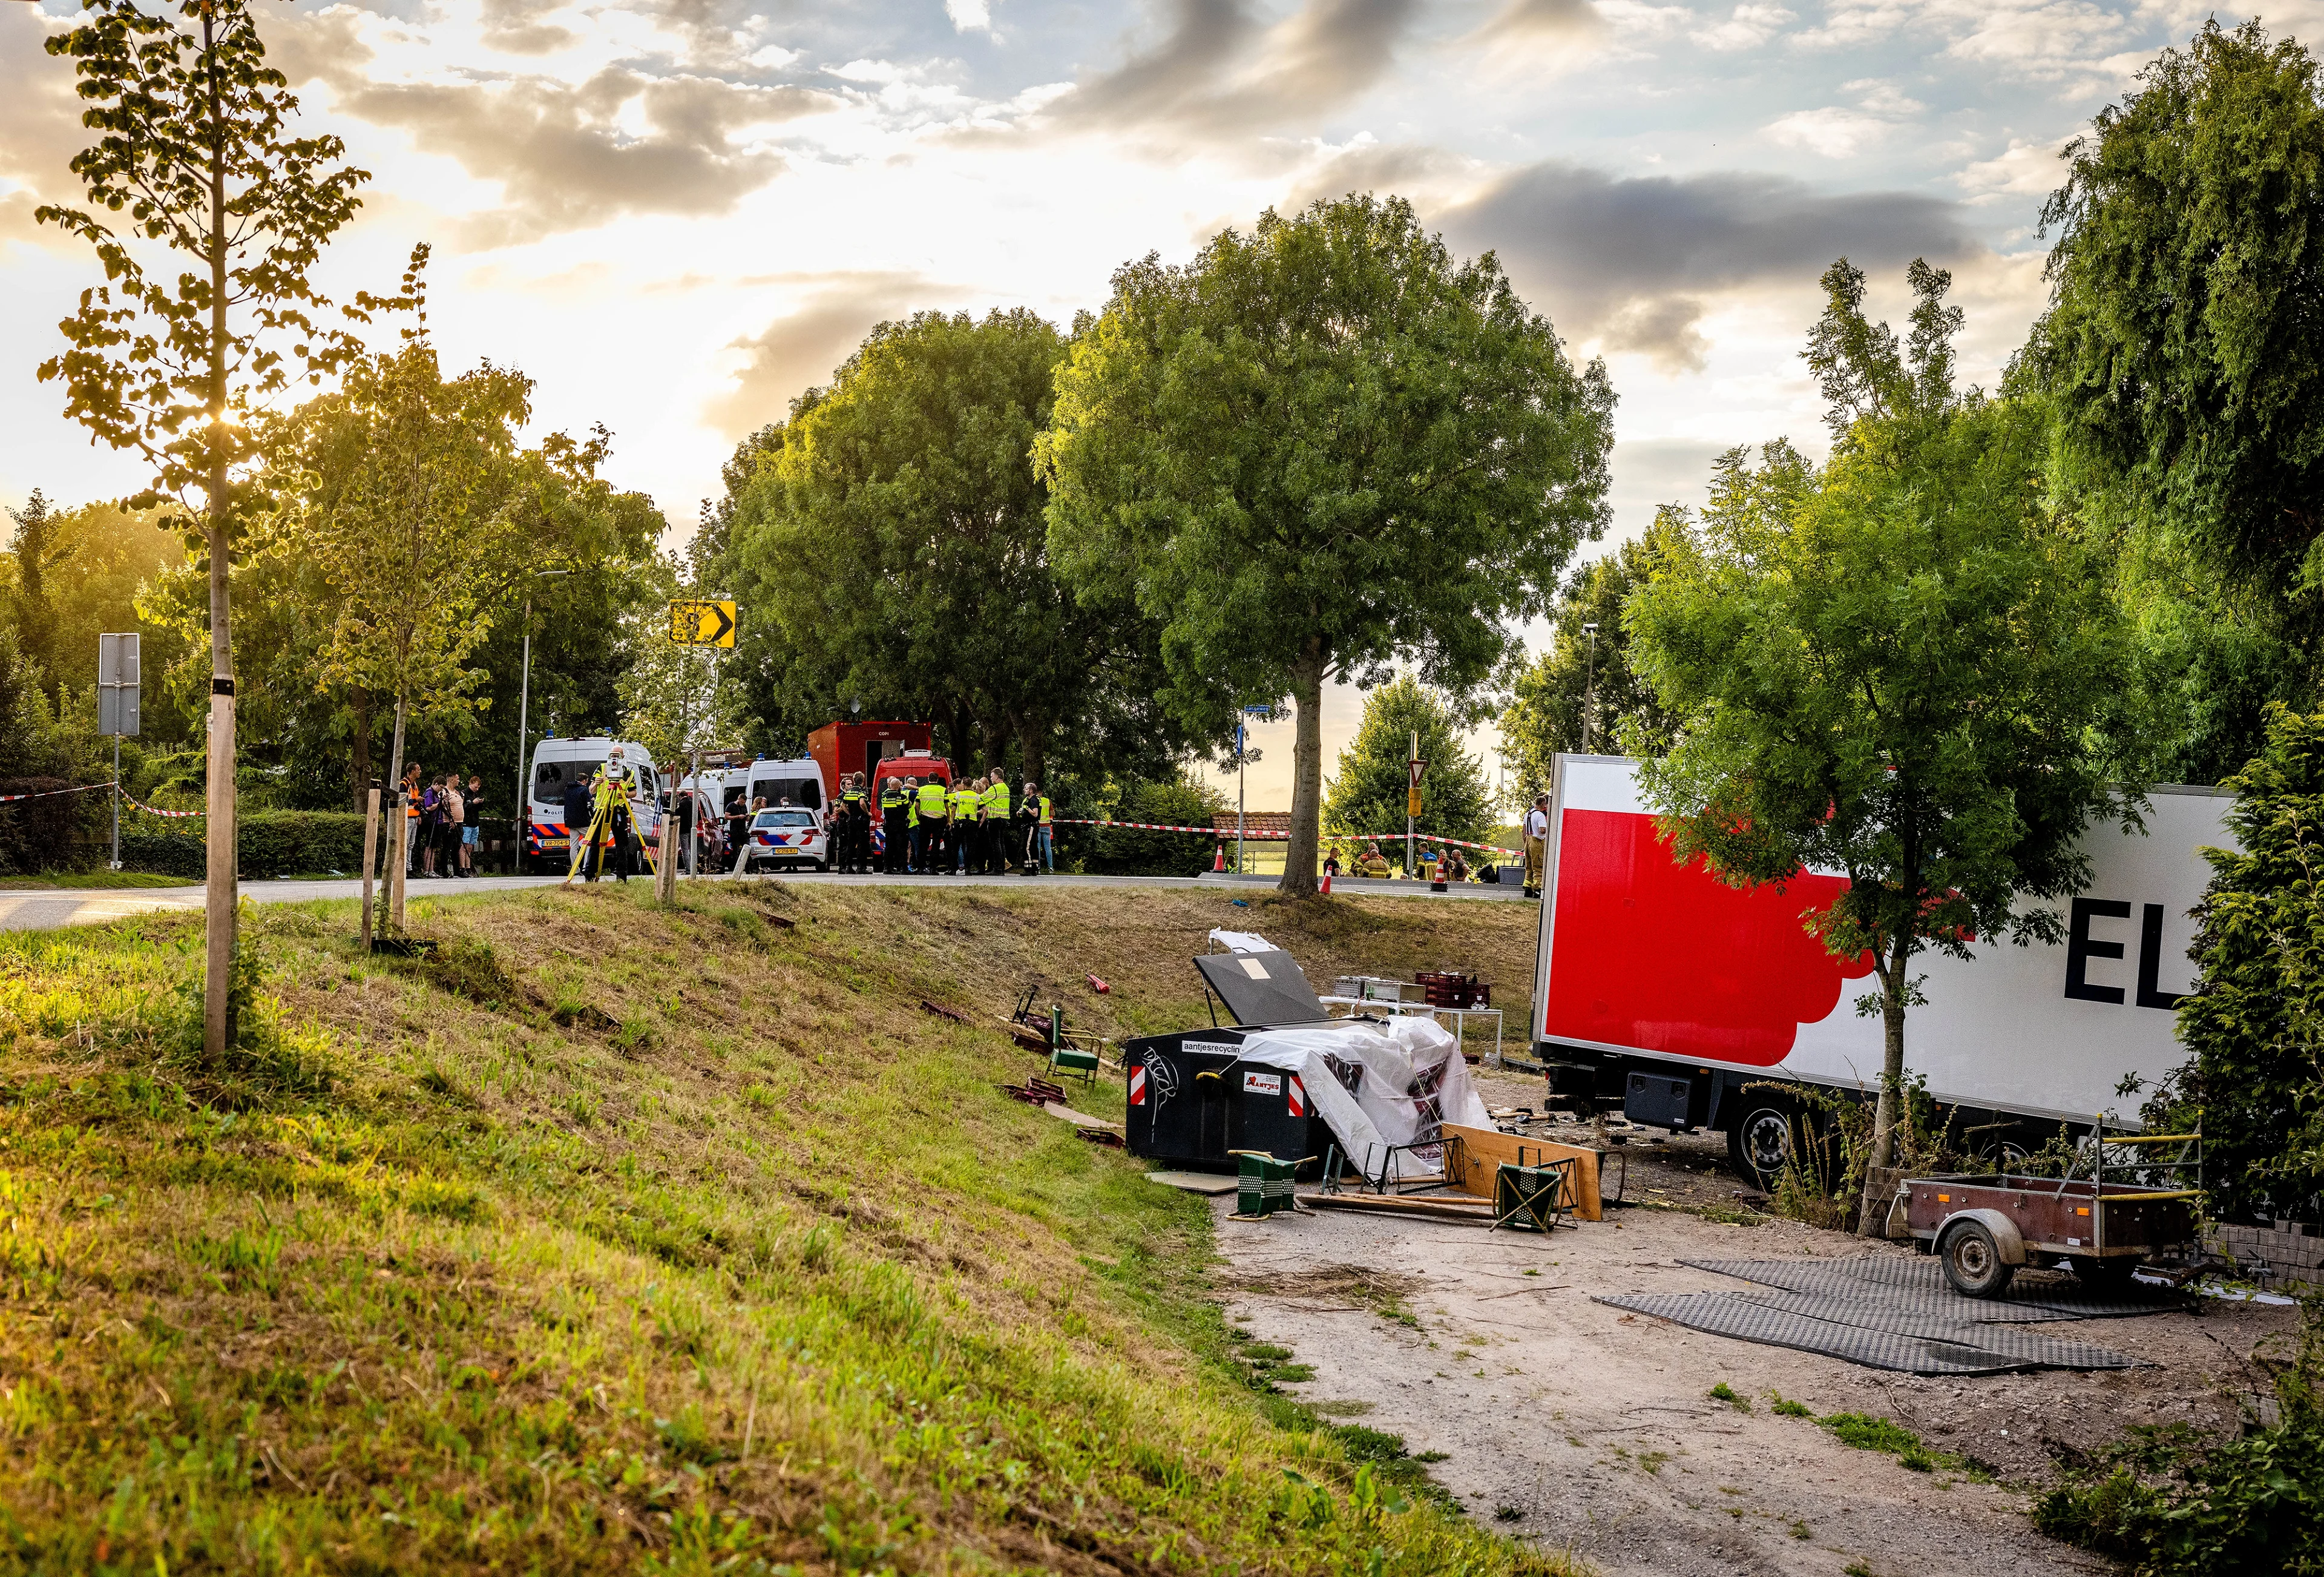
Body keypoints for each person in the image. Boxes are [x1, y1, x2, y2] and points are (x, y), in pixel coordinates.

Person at [915, 773, 948, 875]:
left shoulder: (921, 790)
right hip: (939, 819)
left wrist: (919, 817)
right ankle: (933, 868)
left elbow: (917, 805)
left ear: (928, 779)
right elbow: (947, 806)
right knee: (936, 844)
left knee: (923, 844)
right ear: (937, 779)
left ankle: (921, 868)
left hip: (925, 819)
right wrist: (949, 820)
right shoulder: (943, 790)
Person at [1521, 793, 1551, 899]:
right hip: (1537, 842)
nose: (1545, 806)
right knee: (1538, 867)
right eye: (1545, 804)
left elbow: (1524, 830)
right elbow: (1542, 830)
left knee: (1529, 867)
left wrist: (1525, 842)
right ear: (1542, 804)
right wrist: (1550, 829)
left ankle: (1527, 890)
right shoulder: (1540, 815)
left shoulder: (1527, 814)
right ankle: (1537, 891)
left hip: (1528, 841)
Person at [983, 771, 1012, 875]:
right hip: (1004, 819)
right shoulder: (1005, 788)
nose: (991, 778)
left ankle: (997, 868)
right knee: (1001, 843)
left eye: (992, 776)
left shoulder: (995, 788)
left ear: (997, 776)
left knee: (995, 844)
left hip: (995, 818)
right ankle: (1002, 868)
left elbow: (982, 798)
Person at [1020, 779, 1051, 873]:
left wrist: (1026, 808)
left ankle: (1028, 869)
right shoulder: (1032, 799)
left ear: (1031, 791)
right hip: (1033, 825)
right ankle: (1035, 868)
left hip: (1031, 826)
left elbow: (1035, 814)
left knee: (1027, 847)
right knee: (1034, 847)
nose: (1024, 790)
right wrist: (1020, 813)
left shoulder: (1033, 800)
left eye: (1026, 789)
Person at [950, 774, 976, 874]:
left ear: (963, 785)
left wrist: (951, 822)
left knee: (955, 847)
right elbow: (985, 810)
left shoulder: (958, 795)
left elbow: (953, 809)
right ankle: (968, 869)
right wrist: (981, 821)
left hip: (959, 823)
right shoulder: (977, 796)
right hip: (972, 824)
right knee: (970, 847)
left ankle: (953, 869)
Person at [440, 774, 465, 879]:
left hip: (459, 823)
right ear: (451, 779)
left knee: (457, 847)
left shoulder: (458, 793)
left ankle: (457, 871)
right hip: (449, 823)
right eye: (457, 779)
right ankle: (444, 871)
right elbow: (443, 806)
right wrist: (450, 819)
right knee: (447, 847)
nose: (459, 781)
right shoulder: (445, 792)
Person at [462, 773, 485, 877]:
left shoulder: (476, 794)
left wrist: (480, 803)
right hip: (466, 823)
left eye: (478, 788)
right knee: (465, 846)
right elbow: (462, 807)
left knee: (470, 847)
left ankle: (468, 867)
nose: (477, 789)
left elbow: (478, 809)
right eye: (476, 787)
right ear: (471, 784)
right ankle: (463, 868)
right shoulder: (464, 793)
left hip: (475, 823)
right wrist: (472, 803)